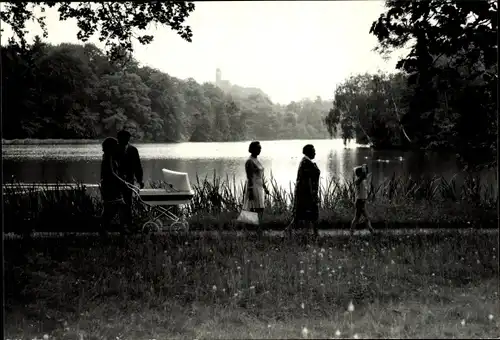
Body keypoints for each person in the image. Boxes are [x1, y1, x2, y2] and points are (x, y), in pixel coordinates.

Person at [100, 137, 129, 236]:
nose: (117, 146)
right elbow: (111, 173)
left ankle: (120, 228)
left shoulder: (110, 156)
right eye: (115, 144)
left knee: (118, 207)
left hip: (112, 186)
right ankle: (106, 229)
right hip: (109, 187)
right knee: (111, 208)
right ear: (110, 146)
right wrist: (122, 181)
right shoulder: (108, 157)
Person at [291, 144, 321, 238]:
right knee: (310, 214)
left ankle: (310, 234)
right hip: (307, 194)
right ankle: (314, 234)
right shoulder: (306, 163)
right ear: (308, 152)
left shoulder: (305, 162)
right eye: (313, 150)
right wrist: (312, 195)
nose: (315, 152)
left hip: (306, 193)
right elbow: (308, 181)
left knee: (304, 215)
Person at [116, 130, 144, 230]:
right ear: (118, 139)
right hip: (116, 181)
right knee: (118, 202)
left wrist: (140, 180)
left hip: (129, 180)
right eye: (121, 138)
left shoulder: (133, 150)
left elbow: (138, 166)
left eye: (127, 138)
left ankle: (128, 224)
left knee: (128, 203)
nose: (125, 140)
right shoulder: (114, 150)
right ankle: (121, 225)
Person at [242, 141, 270, 229]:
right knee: (253, 207)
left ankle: (257, 226)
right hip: (253, 186)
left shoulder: (256, 160)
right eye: (258, 148)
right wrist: (250, 191)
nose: (260, 150)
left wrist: (265, 187)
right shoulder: (249, 161)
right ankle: (250, 227)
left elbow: (260, 176)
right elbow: (249, 177)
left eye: (260, 148)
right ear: (253, 149)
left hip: (259, 186)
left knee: (260, 207)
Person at [350, 164, 375, 235]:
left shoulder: (363, 181)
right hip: (359, 202)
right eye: (362, 173)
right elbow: (362, 177)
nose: (365, 174)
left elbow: (365, 174)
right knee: (364, 217)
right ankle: (371, 231)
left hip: (362, 202)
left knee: (358, 218)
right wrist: (363, 169)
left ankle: (352, 231)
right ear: (359, 174)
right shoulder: (358, 181)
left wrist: (364, 168)